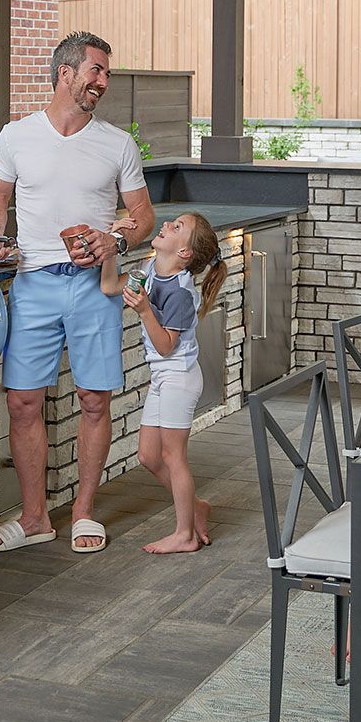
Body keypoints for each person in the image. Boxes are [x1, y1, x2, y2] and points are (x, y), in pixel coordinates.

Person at [0, 32, 155, 554]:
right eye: (95, 71)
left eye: (106, 73)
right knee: (23, 401)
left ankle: (82, 513)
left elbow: (143, 218)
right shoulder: (15, 136)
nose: (103, 81)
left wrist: (113, 236)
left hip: (94, 287)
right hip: (31, 284)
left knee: (94, 399)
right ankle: (34, 518)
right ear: (65, 73)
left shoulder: (117, 144)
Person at [101, 211, 227, 554]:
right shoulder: (151, 270)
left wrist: (144, 310)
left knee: (173, 456)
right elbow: (110, 285)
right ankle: (196, 506)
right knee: (148, 456)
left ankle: (185, 534)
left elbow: (166, 346)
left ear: (184, 252)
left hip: (179, 378)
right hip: (163, 378)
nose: (167, 224)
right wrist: (113, 243)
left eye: (177, 227)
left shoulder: (181, 293)